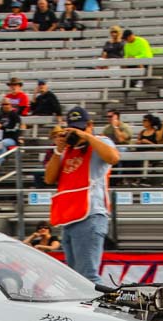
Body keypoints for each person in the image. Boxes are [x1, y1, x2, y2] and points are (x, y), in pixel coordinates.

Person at [44, 106, 119, 285]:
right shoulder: (66, 150)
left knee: (88, 276)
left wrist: (87, 136)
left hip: (90, 215)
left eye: (80, 128)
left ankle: (102, 304)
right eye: (73, 129)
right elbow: (49, 178)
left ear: (90, 126)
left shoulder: (100, 142)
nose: (76, 133)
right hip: (69, 217)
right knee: (76, 279)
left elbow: (113, 158)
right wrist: (58, 150)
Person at [0, 99, 24, 165]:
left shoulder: (15, 116)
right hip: (0, 137)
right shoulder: (1, 115)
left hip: (12, 138)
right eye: (3, 104)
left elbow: (15, 129)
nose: (4, 106)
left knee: (2, 144)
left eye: (6, 104)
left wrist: (2, 127)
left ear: (10, 105)